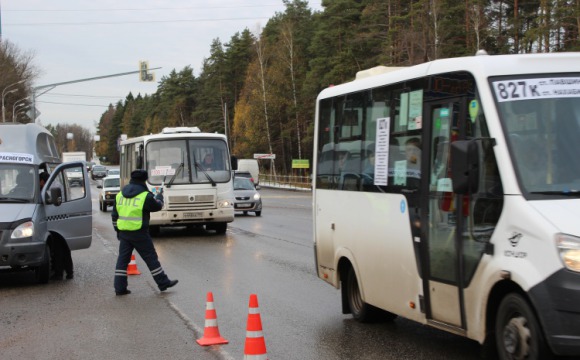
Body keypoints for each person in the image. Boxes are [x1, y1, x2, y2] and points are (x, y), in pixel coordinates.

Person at [112, 169, 178, 296]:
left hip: (124, 233)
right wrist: (159, 197)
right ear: (144, 180)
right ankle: (163, 283)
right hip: (139, 233)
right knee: (151, 258)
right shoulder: (144, 196)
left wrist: (118, 231)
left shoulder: (120, 194)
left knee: (122, 261)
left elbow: (114, 216)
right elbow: (157, 206)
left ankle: (119, 288)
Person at [40, 171, 74, 280]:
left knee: (59, 248)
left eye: (39, 182)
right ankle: (68, 272)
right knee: (65, 248)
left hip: (57, 220)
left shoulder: (51, 187)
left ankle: (60, 273)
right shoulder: (56, 184)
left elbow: (49, 202)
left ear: (42, 181)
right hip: (61, 219)